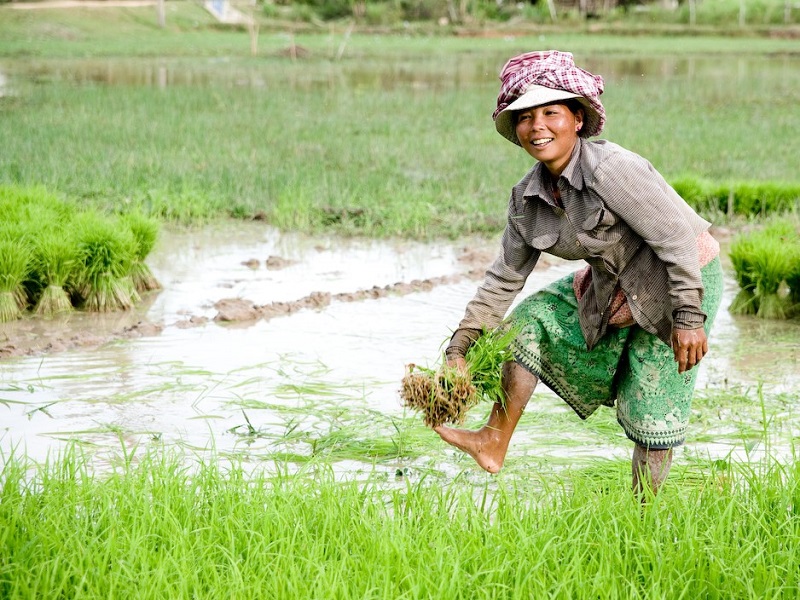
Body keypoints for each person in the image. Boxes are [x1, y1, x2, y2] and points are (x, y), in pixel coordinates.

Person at [435, 50, 723, 496]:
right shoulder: (527, 199)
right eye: (525, 116)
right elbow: (503, 279)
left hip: (680, 281)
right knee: (527, 324)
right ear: (514, 128)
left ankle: (644, 513)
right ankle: (493, 441)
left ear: (577, 119)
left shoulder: (612, 169)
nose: (538, 127)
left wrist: (689, 318)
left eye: (551, 112)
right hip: (611, 284)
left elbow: (676, 241)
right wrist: (460, 347)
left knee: (653, 402)